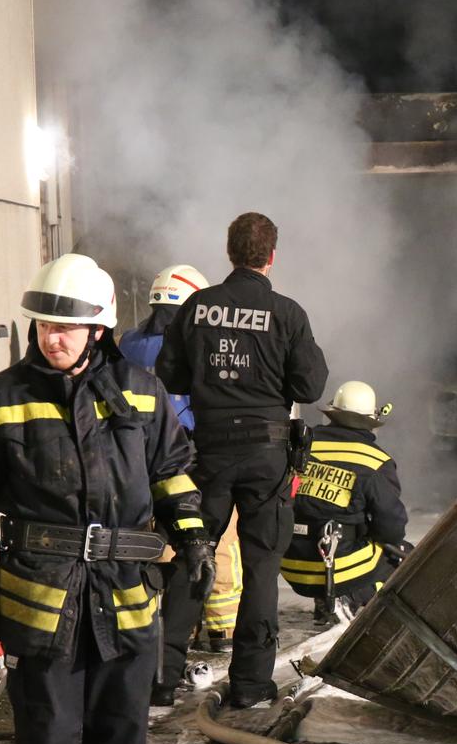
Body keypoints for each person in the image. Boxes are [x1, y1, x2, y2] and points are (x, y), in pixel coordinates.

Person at [0, 254, 213, 744]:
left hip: (125, 601)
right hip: (42, 607)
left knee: (121, 735)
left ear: (98, 329)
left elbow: (171, 473)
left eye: (66, 329)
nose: (51, 338)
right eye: (43, 326)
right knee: (48, 738)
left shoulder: (142, 394)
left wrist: (194, 538)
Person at [154, 212, 329, 708]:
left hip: (207, 453)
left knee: (195, 554)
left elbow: (171, 374)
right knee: (260, 569)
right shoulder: (288, 314)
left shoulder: (197, 307)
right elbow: (310, 386)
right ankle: (250, 685)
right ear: (271, 257)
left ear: (229, 252)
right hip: (266, 458)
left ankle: (162, 679)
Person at [119, 264, 243, 654]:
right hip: (191, 458)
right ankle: (220, 631)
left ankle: (167, 628)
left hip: (134, 463)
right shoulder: (196, 345)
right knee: (214, 539)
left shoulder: (125, 344)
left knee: (157, 544)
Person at [281, 380, 409, 625]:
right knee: (403, 554)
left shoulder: (304, 444)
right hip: (338, 571)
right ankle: (358, 602)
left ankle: (326, 603)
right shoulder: (374, 461)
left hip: (291, 565)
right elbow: (392, 528)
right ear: (371, 421)